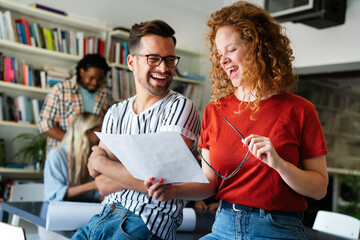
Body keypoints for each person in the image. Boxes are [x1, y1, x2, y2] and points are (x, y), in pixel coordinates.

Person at [145, 1, 329, 240]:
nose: (223, 61)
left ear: (258, 47)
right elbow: (210, 184)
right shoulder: (214, 111)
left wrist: (279, 164)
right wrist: (173, 190)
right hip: (222, 226)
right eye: (220, 54)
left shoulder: (301, 110)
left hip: (278, 229)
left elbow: (319, 189)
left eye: (231, 50)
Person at [71, 20, 200, 240]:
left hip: (144, 222)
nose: (164, 68)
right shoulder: (115, 112)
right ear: (131, 61)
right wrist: (138, 175)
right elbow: (101, 184)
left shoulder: (180, 107)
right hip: (102, 216)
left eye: (170, 60)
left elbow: (158, 182)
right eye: (153, 58)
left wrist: (102, 162)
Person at [39, 54, 112, 154]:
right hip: (64, 153)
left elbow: (108, 125)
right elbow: (45, 124)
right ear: (81, 72)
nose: (95, 83)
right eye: (91, 78)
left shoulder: (105, 94)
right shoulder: (60, 90)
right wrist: (74, 142)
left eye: (99, 79)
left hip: (91, 156)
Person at [43, 112, 103, 202]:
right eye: (99, 133)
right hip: (59, 211)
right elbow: (54, 194)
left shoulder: (93, 155)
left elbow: (95, 195)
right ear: (87, 132)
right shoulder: (56, 155)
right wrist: (93, 185)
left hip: (85, 208)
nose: (102, 137)